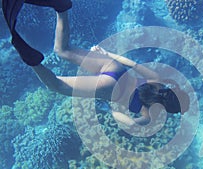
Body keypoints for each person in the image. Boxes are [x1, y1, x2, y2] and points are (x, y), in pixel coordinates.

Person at [2, 0, 189, 126]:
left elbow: (132, 63)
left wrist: (107, 53)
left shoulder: (157, 80)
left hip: (115, 68)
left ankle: (62, 8)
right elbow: (128, 121)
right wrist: (109, 110)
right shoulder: (148, 116)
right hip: (109, 88)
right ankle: (29, 58)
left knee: (62, 50)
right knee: (55, 84)